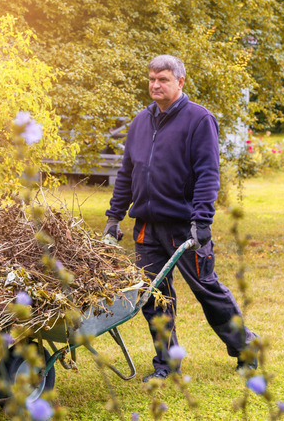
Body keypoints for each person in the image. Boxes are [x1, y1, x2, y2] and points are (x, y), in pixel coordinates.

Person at [103, 55, 257, 382]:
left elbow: (207, 174)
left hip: (184, 227)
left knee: (207, 291)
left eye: (163, 80)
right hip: (147, 227)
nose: (155, 85)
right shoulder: (140, 122)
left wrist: (202, 221)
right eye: (151, 79)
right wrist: (114, 216)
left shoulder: (199, 120)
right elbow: (127, 174)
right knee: (154, 300)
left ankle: (245, 347)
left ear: (180, 82)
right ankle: (167, 365)